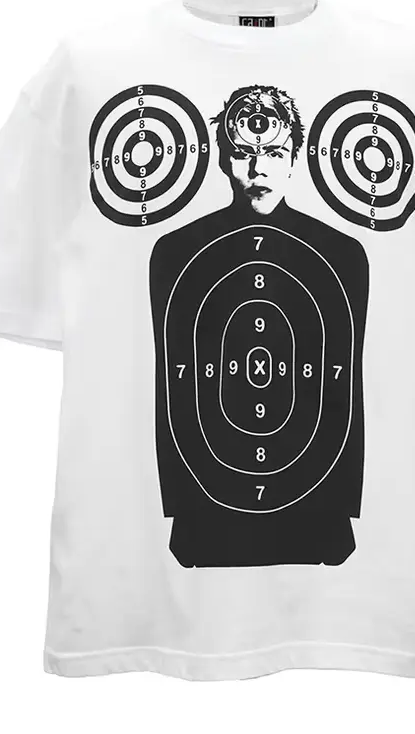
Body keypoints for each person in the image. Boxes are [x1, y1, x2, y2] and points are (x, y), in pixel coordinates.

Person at [149, 84, 369, 568]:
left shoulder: (341, 255)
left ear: (294, 159)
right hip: (207, 514)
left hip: (318, 514)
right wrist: (184, 504)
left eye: (273, 153)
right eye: (242, 153)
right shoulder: (176, 253)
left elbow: (344, 395)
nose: (258, 169)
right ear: (222, 159)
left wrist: (338, 504)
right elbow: (175, 395)